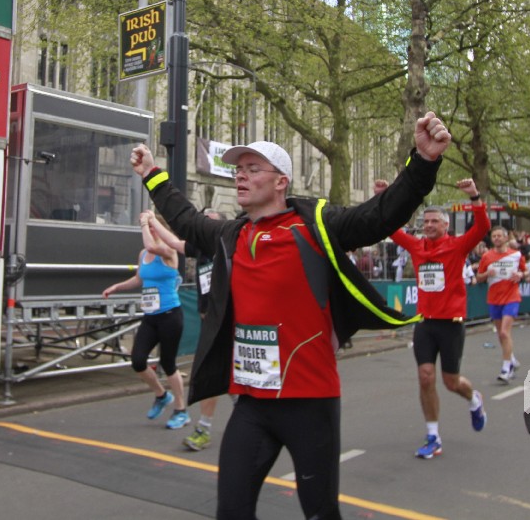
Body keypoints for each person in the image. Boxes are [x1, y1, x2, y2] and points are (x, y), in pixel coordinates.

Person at [130, 112, 452, 520]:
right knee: (231, 511)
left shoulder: (316, 225)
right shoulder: (232, 235)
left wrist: (423, 162)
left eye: (253, 169)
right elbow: (187, 220)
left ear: (281, 181)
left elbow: (380, 214)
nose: (241, 176)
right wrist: (151, 173)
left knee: (320, 513)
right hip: (251, 403)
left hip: (310, 403)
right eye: (238, 170)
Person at [382, 179, 491, 460]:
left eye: (434, 222)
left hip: (451, 324)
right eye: (425, 222)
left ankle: (474, 399)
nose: (428, 225)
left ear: (445, 225)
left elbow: (482, 228)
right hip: (425, 323)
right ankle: (433, 436)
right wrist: (384, 197)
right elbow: (390, 228)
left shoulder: (457, 246)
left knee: (451, 382)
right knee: (425, 376)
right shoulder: (417, 247)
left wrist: (474, 196)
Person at [102, 210, 190, 430]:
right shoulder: (144, 253)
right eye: (148, 228)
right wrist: (117, 287)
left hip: (170, 315)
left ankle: (181, 410)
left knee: (168, 364)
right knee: (138, 360)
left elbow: (152, 246)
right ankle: (161, 395)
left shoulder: (168, 250)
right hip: (151, 317)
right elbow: (139, 278)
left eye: (153, 228)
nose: (150, 231)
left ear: (159, 229)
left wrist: (145, 222)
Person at [183, 208, 225, 452]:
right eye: (203, 220)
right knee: (221, 377)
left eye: (209, 221)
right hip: (208, 322)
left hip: (225, 322)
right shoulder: (200, 248)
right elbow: (176, 243)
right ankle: (205, 427)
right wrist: (150, 224)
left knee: (212, 375)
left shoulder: (226, 248)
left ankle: (204, 428)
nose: (204, 225)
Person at [477, 227, 526, 383]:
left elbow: (526, 272)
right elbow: (478, 277)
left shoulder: (516, 255)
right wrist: (487, 274)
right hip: (494, 298)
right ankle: (511, 358)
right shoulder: (487, 256)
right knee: (501, 334)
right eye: (494, 236)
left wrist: (520, 274)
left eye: (499, 236)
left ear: (506, 238)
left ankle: (506, 368)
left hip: (511, 297)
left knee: (505, 332)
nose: (497, 238)